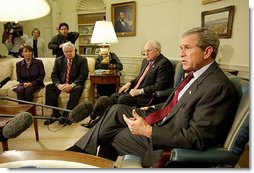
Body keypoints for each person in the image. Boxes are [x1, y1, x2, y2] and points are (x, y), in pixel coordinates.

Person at [66, 27, 238, 167]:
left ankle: (79, 155)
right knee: (117, 109)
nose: (181, 54)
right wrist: (151, 108)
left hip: (168, 143)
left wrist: (149, 131)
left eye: (187, 48)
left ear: (207, 51)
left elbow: (198, 137)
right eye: (181, 48)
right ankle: (81, 152)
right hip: (163, 119)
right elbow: (176, 103)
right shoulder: (195, 75)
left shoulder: (218, 87)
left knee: (109, 133)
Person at [111, 40, 174, 108]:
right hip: (135, 90)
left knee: (122, 99)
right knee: (114, 96)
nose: (146, 54)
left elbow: (160, 85)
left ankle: (122, 117)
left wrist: (140, 91)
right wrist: (129, 83)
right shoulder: (145, 61)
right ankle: (111, 117)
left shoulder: (164, 63)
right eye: (145, 51)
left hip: (147, 95)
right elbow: (140, 77)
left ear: (157, 51)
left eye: (148, 51)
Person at [44, 42, 89, 125]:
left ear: (74, 50)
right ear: (63, 52)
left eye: (70, 51)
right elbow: (54, 75)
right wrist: (58, 85)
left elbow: (83, 75)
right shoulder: (58, 60)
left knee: (79, 88)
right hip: (62, 84)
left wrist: (72, 85)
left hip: (75, 84)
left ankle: (67, 114)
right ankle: (55, 113)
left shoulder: (82, 60)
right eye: (66, 52)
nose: (68, 53)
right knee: (49, 87)